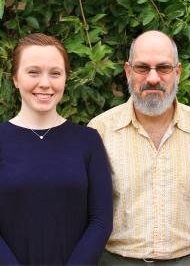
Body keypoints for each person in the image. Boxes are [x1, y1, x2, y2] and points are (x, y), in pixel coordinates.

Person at [88, 30, 190, 265]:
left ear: (178, 72)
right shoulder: (100, 130)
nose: (153, 78)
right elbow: (88, 213)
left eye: (163, 68)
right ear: (128, 71)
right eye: (142, 68)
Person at [0, 33, 113, 266]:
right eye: (33, 72)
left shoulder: (88, 141)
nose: (45, 83)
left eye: (55, 73)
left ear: (65, 79)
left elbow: (101, 220)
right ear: (15, 79)